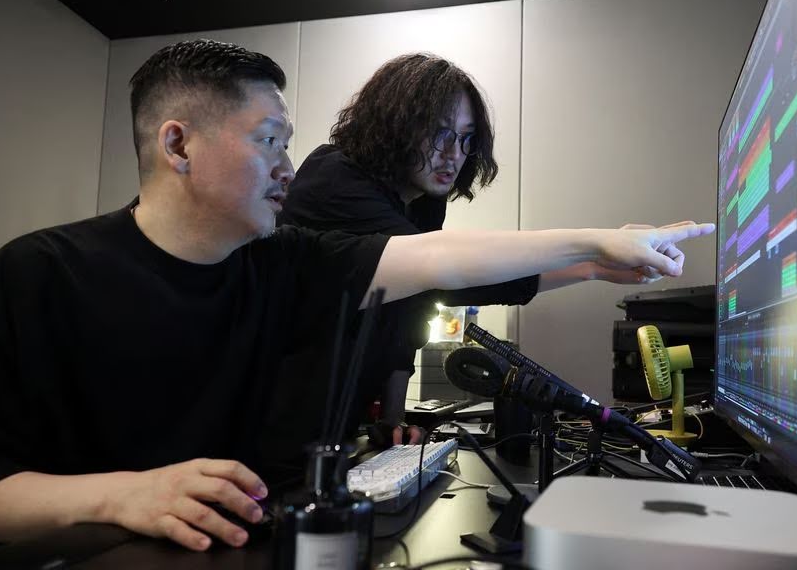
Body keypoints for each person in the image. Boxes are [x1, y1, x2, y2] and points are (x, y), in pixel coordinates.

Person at [0, 39, 713, 553]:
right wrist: (118, 496)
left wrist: (596, 257)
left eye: (287, 144)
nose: (290, 168)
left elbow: (431, 263)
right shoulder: (37, 275)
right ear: (178, 144)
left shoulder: (286, 264)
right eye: (269, 141)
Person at [278, 52, 678, 447]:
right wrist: (596, 245)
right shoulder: (333, 177)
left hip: (332, 433)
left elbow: (411, 309)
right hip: (274, 422)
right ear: (393, 123)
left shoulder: (422, 204)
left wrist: (393, 422)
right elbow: (438, 270)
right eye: (440, 133)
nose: (454, 154)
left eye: (466, 139)